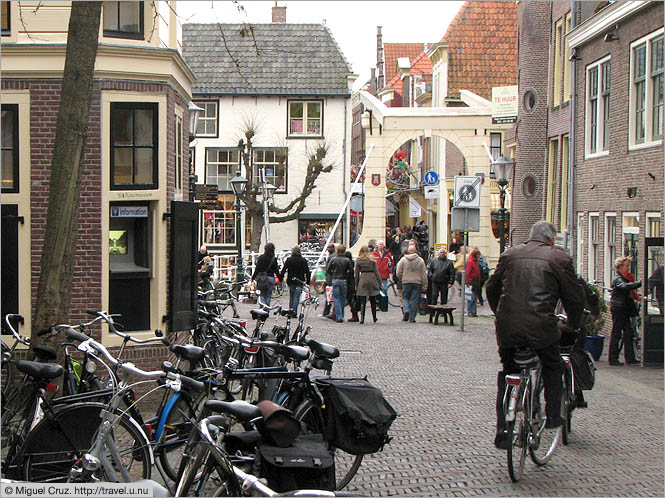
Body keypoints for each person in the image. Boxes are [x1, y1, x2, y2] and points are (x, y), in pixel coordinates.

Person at [486, 220, 584, 450]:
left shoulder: (510, 254)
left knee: (509, 371)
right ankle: (553, 416)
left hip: (507, 326)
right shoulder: (559, 258)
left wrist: (499, 312)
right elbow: (574, 297)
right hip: (541, 327)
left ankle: (503, 428)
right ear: (551, 239)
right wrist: (574, 325)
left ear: (530, 236)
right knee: (552, 364)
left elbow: (491, 287)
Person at [608, 256, 642, 366]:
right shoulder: (618, 279)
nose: (628, 268)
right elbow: (624, 287)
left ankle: (630, 358)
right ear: (620, 267)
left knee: (628, 332)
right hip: (619, 309)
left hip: (624, 308)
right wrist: (638, 283)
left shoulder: (622, 278)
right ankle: (613, 358)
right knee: (616, 333)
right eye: (626, 266)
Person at [396, 244, 428, 323]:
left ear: (408, 251)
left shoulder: (403, 259)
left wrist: (402, 278)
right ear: (416, 251)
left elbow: (398, 271)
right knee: (414, 300)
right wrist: (425, 285)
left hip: (406, 281)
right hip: (417, 282)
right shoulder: (420, 260)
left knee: (405, 298)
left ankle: (406, 310)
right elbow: (424, 274)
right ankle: (412, 318)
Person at [354, 245, 382, 323]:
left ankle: (362, 318)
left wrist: (356, 284)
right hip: (372, 278)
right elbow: (377, 271)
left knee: (363, 300)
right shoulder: (372, 259)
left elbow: (356, 273)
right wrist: (380, 282)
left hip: (363, 278)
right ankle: (374, 317)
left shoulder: (359, 260)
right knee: (373, 299)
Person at [280, 246, 311, 314]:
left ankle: (290, 310)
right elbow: (307, 272)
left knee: (292, 296)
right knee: (297, 297)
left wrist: (280, 278)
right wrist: (308, 282)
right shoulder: (303, 260)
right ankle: (294, 311)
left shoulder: (289, 260)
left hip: (291, 280)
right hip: (300, 281)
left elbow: (284, 270)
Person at [326, 244, 352, 323]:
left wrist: (332, 274)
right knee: (342, 298)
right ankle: (341, 315)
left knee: (336, 298)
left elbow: (328, 269)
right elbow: (351, 271)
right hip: (343, 280)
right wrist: (346, 275)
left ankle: (339, 316)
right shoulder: (347, 260)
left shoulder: (333, 259)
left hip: (335, 279)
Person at [252, 242, 280, 306]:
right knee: (268, 295)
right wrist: (280, 278)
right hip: (271, 278)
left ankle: (263, 306)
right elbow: (276, 270)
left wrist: (253, 277)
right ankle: (267, 308)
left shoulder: (261, 257)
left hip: (262, 279)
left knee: (261, 294)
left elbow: (257, 269)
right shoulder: (274, 259)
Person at [465, 248, 482, 317]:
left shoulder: (475, 262)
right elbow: (468, 272)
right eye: (478, 255)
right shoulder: (471, 262)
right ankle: (470, 311)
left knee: (474, 297)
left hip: (475, 282)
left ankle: (472, 311)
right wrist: (468, 282)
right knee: (471, 298)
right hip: (472, 282)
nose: (479, 256)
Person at [321, 243, 336, 318]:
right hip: (332, 278)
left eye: (328, 248)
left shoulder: (331, 257)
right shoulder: (332, 256)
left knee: (329, 295)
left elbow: (328, 269)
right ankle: (329, 311)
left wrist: (326, 280)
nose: (327, 249)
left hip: (330, 279)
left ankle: (326, 311)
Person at [345, 251, 360, 322]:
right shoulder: (353, 262)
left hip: (349, 283)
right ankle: (354, 314)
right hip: (352, 282)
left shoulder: (348, 263)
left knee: (351, 300)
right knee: (352, 299)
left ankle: (354, 315)